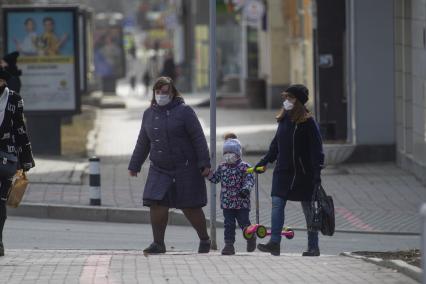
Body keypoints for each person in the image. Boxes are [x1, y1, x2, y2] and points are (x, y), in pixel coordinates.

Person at [128, 76, 211, 254]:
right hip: (159, 168)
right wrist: (135, 165)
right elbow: (143, 141)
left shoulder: (185, 111)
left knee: (190, 206)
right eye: (158, 92)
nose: (161, 95)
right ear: (154, 93)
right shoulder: (149, 114)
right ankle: (158, 243)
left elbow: (198, 138)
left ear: (173, 92)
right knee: (155, 203)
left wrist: (204, 163)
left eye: (165, 92)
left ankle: (204, 239)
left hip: (186, 167)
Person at [255, 84, 324, 256]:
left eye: (290, 98)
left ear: (299, 101)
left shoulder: (308, 122)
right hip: (283, 171)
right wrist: (264, 162)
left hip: (303, 173)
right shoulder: (283, 119)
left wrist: (317, 173)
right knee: (277, 204)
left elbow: (317, 150)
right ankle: (275, 242)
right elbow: (276, 144)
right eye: (285, 98)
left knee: (308, 208)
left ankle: (313, 246)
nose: (286, 101)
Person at [0, 68, 35, 257]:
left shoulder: (14, 99)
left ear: (2, 82)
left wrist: (26, 159)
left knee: (1, 201)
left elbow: (20, 129)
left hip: (8, 154)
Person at [207, 133, 255, 255]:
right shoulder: (222, 167)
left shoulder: (245, 167)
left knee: (244, 223)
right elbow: (215, 179)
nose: (228, 156)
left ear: (238, 154)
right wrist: (207, 173)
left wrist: (246, 189)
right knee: (228, 224)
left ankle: (250, 238)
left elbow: (250, 179)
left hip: (241, 202)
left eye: (231, 153)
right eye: (226, 153)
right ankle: (229, 245)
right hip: (227, 203)